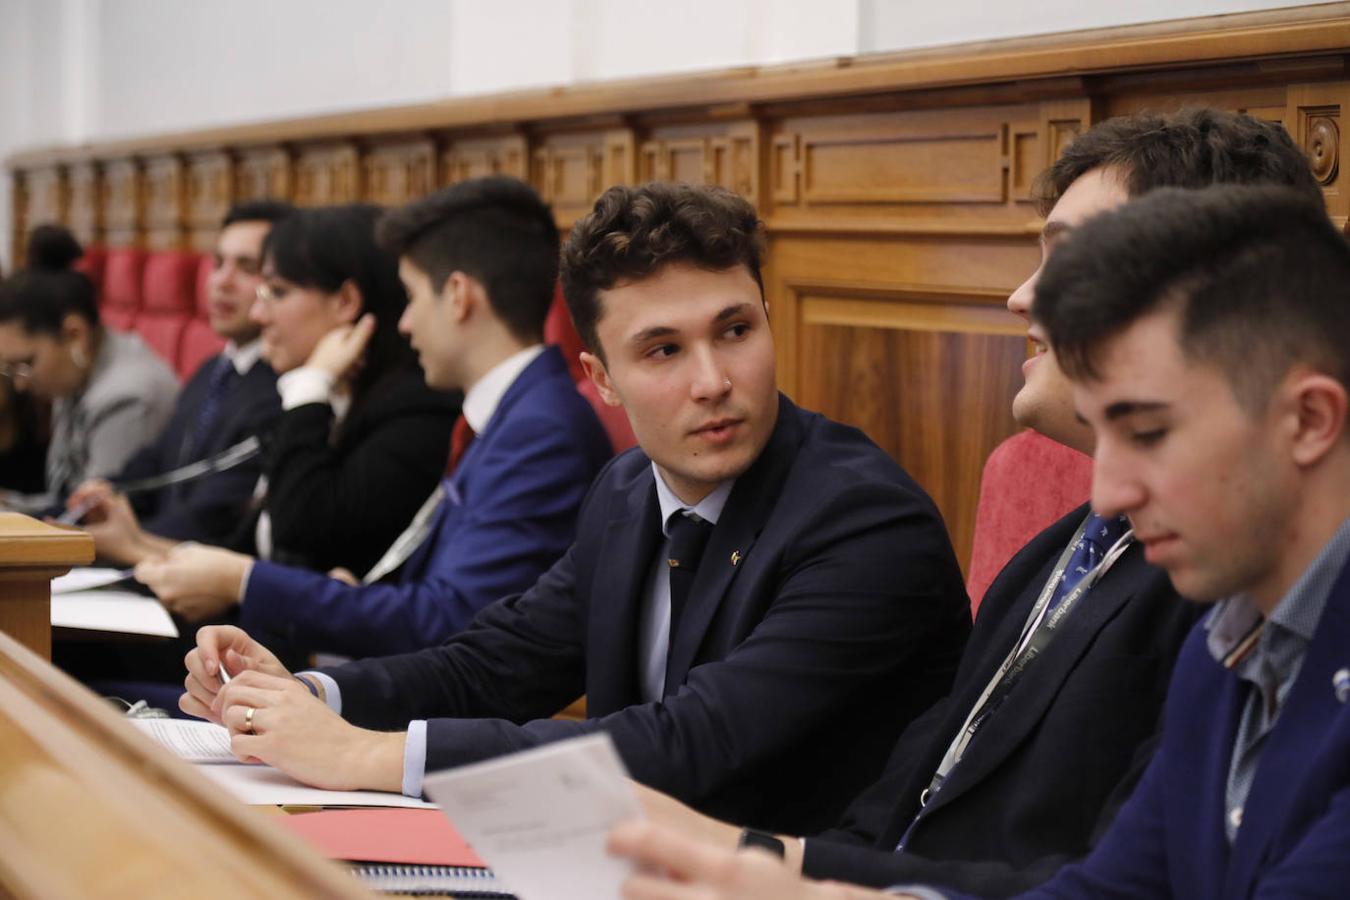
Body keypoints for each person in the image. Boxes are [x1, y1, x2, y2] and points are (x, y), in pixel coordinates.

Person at [605, 110, 1337, 898]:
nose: (1110, 492)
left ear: (1307, 419)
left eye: (1149, 430)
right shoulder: (1216, 639)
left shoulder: (1208, 597)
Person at [179, 181, 972, 835]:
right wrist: (309, 700)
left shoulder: (865, 519)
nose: (712, 381)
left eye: (735, 330)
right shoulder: (629, 489)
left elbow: (693, 744)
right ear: (601, 379)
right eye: (663, 349)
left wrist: (365, 757)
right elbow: (496, 663)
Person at [135, 177, 613, 657]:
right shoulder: (510, 416)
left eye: (413, 298)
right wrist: (352, 598)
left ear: (458, 296)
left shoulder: (539, 431)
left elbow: (451, 622)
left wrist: (246, 582)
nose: (404, 323)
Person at [80, 204, 459, 596]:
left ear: (345, 302)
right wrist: (135, 546)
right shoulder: (327, 401)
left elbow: (298, 536)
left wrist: (312, 385)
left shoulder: (415, 413)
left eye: (276, 292)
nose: (259, 314)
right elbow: (250, 559)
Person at [66, 200, 291, 562]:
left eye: (247, 268)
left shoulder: (282, 389)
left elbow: (212, 519)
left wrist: (115, 541)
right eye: (217, 264)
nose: (222, 282)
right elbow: (158, 462)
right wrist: (105, 496)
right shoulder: (212, 370)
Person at [0, 225, 178, 515]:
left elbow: (94, 519)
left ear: (74, 334)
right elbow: (64, 499)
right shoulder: (76, 372)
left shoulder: (127, 396)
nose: (20, 384)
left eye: (26, 364)